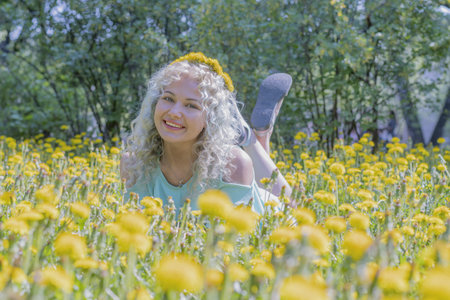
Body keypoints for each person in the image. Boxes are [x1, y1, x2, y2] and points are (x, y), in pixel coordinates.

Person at [120, 52, 292, 214]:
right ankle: (250, 135)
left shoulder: (233, 164)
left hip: (267, 221)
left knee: (288, 205)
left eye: (191, 105)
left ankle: (251, 139)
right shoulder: (133, 164)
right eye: (168, 98)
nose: (174, 112)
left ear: (209, 118)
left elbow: (235, 241)